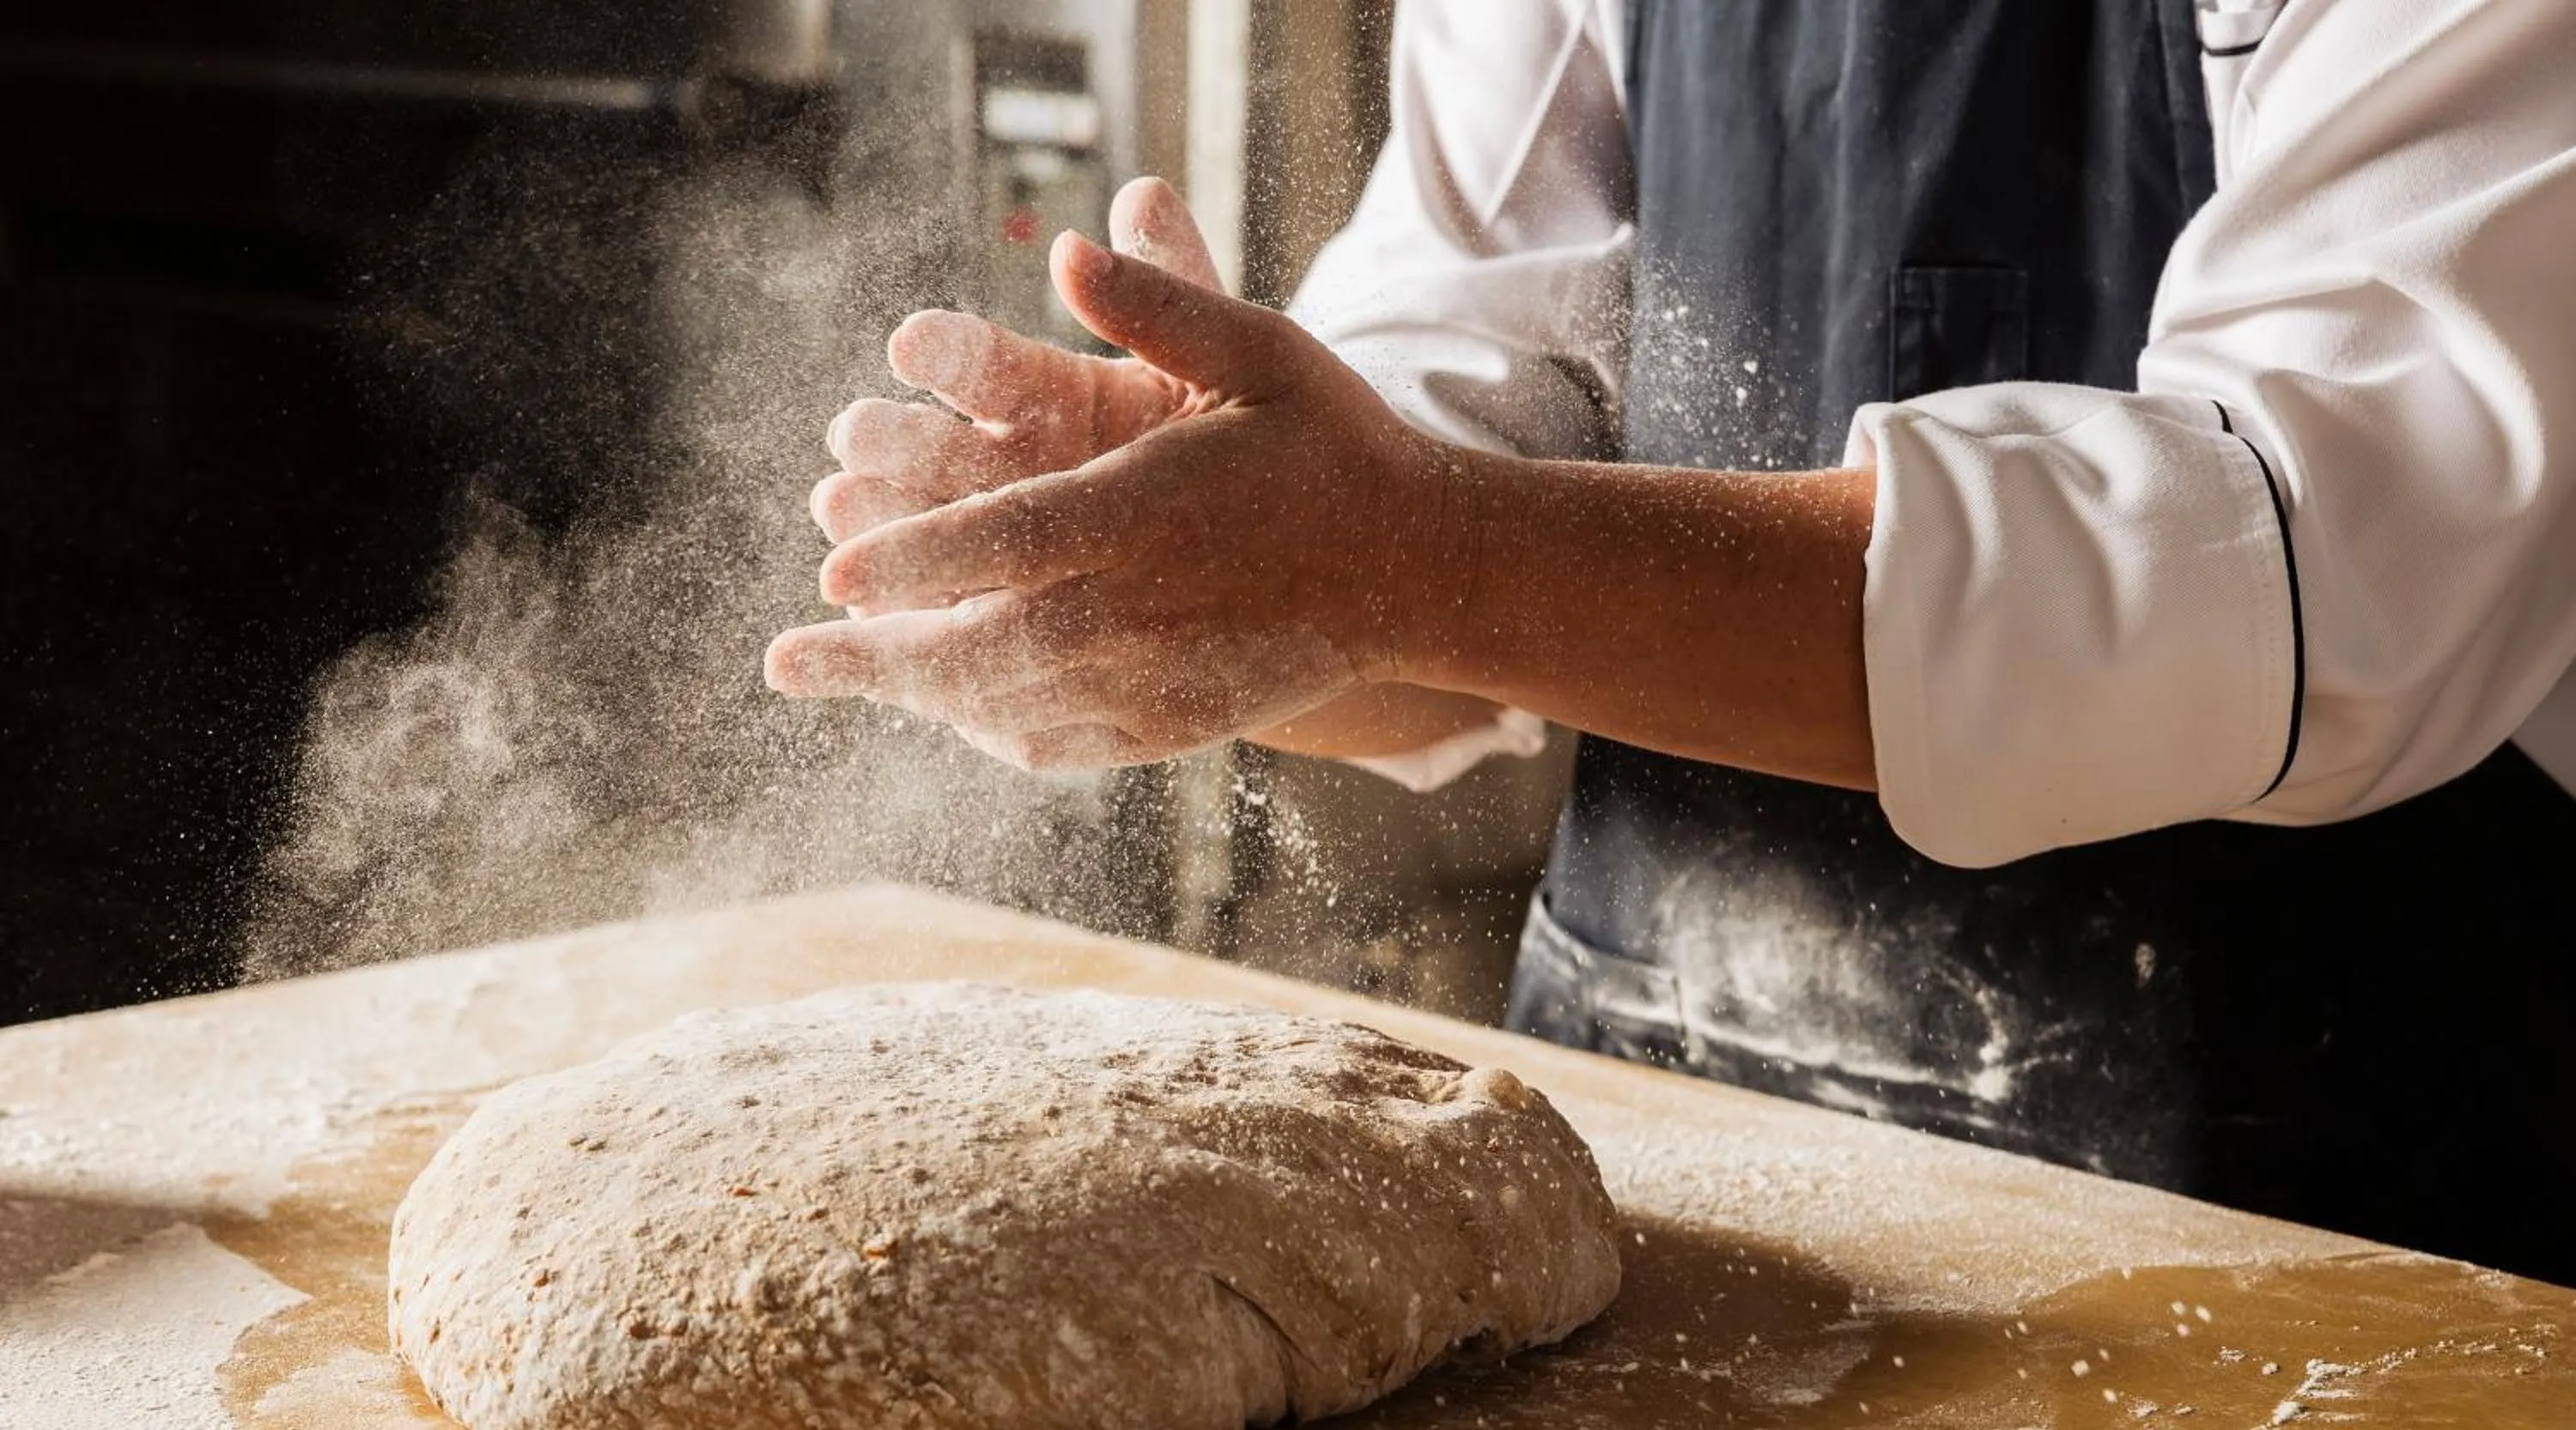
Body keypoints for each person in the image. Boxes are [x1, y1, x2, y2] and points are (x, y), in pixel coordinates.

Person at [769, 0, 2576, 1281]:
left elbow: (2322, 567)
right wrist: (1219, 561)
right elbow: (1467, 413)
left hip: (2318, 1207)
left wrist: (1386, 553)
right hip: (1676, 1170)